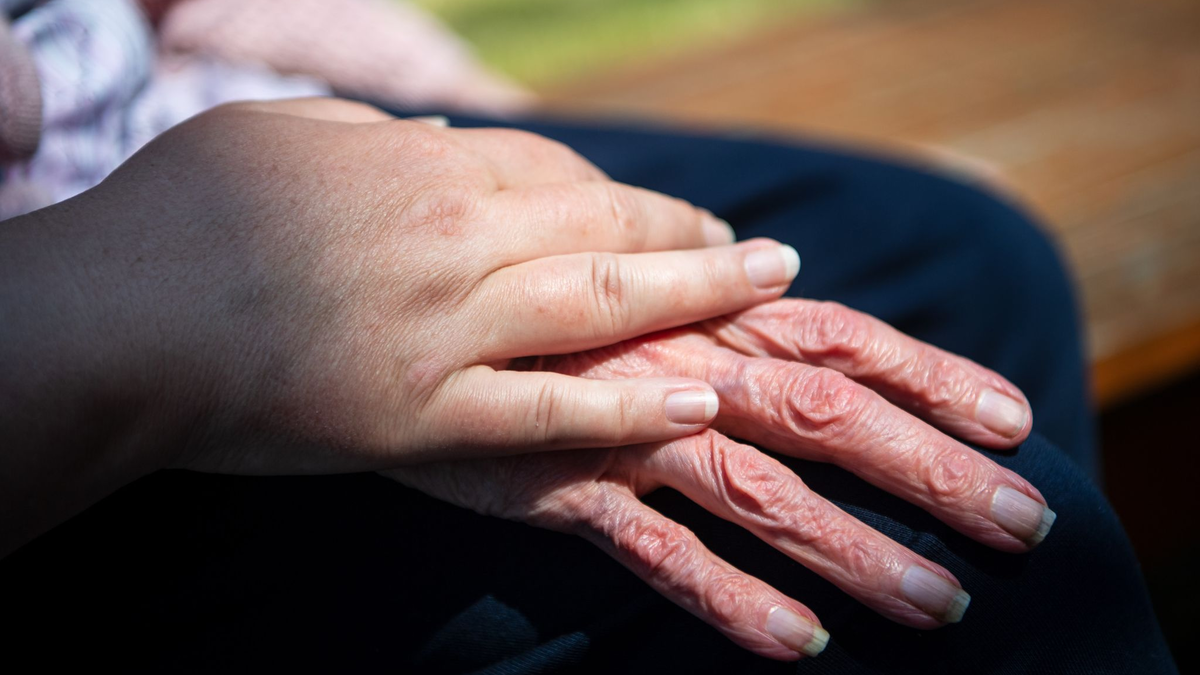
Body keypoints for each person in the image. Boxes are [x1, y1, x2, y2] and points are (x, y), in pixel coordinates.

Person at [0, 3, 1177, 674]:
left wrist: (479, 126)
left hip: (195, 150)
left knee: (959, 263)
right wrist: (156, 307)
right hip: (78, 349)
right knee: (965, 550)